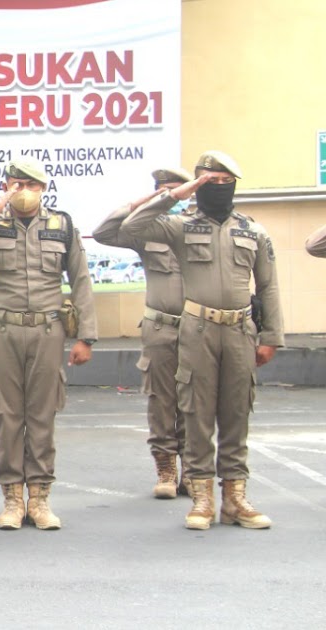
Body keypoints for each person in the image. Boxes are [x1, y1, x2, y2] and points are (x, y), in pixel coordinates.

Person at [121, 151, 283, 530]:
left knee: (236, 412)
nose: (219, 187)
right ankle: (202, 499)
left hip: (240, 329)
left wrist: (271, 336)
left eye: (226, 182)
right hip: (197, 330)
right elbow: (131, 226)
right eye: (211, 181)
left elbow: (269, 287)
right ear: (198, 184)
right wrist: (176, 195)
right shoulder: (180, 226)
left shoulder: (253, 231)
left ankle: (235, 498)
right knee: (196, 414)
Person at [0, 156, 97, 531]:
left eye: (31, 186)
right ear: (5, 187)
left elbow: (80, 279)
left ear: (43, 189)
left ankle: (40, 499)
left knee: (42, 415)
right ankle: (12, 499)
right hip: (3, 330)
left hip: (47, 330)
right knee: (8, 416)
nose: (24, 192)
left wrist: (86, 336)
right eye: (16, 185)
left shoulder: (62, 225)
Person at [93, 167, 193, 498]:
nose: (172, 197)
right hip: (160, 327)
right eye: (164, 190)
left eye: (176, 190)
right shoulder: (147, 229)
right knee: (161, 401)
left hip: (199, 329)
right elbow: (104, 233)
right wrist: (142, 203)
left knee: (195, 400)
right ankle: (166, 470)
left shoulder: (202, 227)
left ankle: (193, 470)